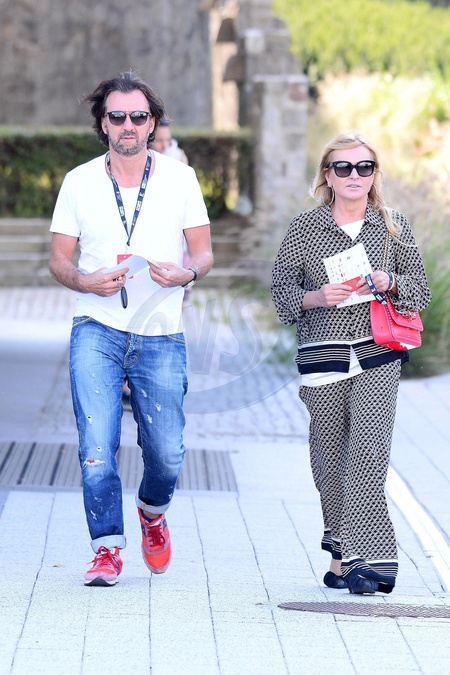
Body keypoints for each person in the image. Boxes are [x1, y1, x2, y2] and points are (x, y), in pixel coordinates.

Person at [49, 70, 213, 587]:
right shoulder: (78, 181)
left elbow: (203, 253)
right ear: (103, 123)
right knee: (96, 446)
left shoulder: (180, 179)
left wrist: (187, 274)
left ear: (152, 123)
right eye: (116, 116)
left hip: (160, 329)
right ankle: (106, 547)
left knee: (166, 453)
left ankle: (152, 512)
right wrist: (84, 281)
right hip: (96, 325)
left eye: (138, 116)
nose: (127, 125)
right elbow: (58, 259)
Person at [271, 133, 431, 595]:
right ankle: (341, 556)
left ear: (375, 174)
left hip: (378, 353)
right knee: (329, 460)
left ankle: (370, 564)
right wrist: (318, 297)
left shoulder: (393, 226)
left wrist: (390, 280)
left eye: (365, 167)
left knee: (367, 454)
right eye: (343, 167)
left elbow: (421, 292)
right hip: (323, 355)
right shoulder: (304, 228)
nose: (354, 175)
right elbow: (282, 295)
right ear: (328, 175)